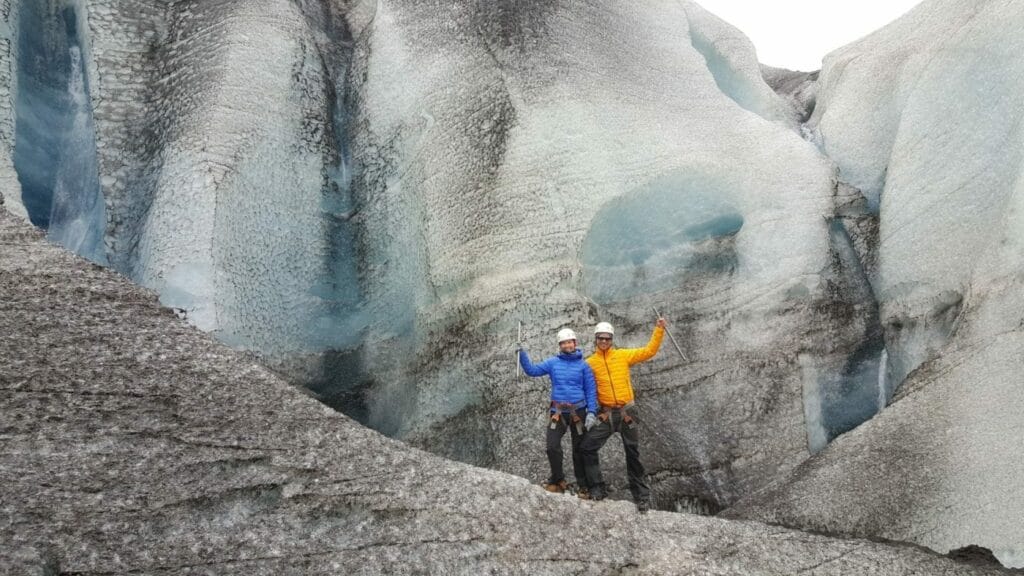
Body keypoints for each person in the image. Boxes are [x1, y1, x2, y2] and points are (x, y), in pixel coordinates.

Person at [581, 318, 666, 513]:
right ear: (595, 339)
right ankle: (597, 488)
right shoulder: (590, 363)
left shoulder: (622, 356)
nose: (604, 341)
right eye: (601, 338)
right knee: (587, 447)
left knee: (632, 453)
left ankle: (641, 497)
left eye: (607, 338)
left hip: (627, 412)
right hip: (607, 414)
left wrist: (659, 329)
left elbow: (649, 351)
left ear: (612, 339)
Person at [519, 328, 598, 495]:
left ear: (575, 343)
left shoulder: (584, 366)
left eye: (569, 342)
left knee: (579, 449)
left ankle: (583, 484)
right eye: (563, 343)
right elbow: (532, 371)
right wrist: (522, 354)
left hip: (579, 412)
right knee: (552, 446)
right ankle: (558, 478)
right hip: (558, 412)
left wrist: (592, 411)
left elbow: (591, 390)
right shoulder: (552, 363)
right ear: (560, 345)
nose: (567, 345)